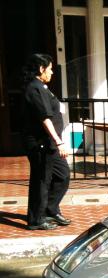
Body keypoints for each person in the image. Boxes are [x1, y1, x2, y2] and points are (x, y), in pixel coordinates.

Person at [22, 53, 71, 230]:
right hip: (41, 143)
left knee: (62, 175)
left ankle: (50, 208)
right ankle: (36, 220)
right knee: (42, 180)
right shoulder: (34, 88)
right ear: (41, 69)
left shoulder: (41, 87)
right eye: (49, 69)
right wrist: (59, 141)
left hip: (50, 143)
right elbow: (44, 118)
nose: (51, 72)